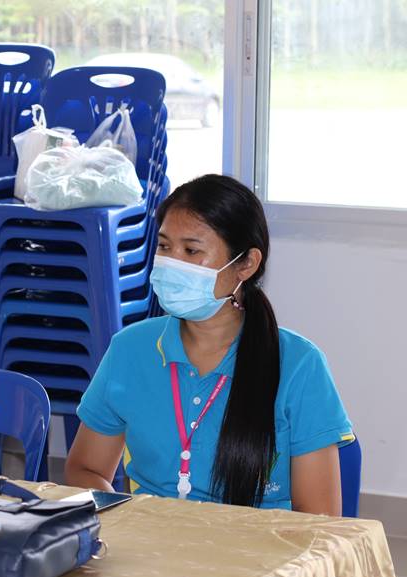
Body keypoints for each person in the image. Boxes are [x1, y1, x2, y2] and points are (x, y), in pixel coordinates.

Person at [64, 174, 353, 515]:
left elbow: (318, 518)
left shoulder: (299, 365)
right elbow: (85, 470)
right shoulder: (130, 349)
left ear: (246, 264)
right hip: (150, 539)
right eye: (164, 247)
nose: (172, 263)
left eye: (192, 250)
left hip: (256, 546)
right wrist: (127, 522)